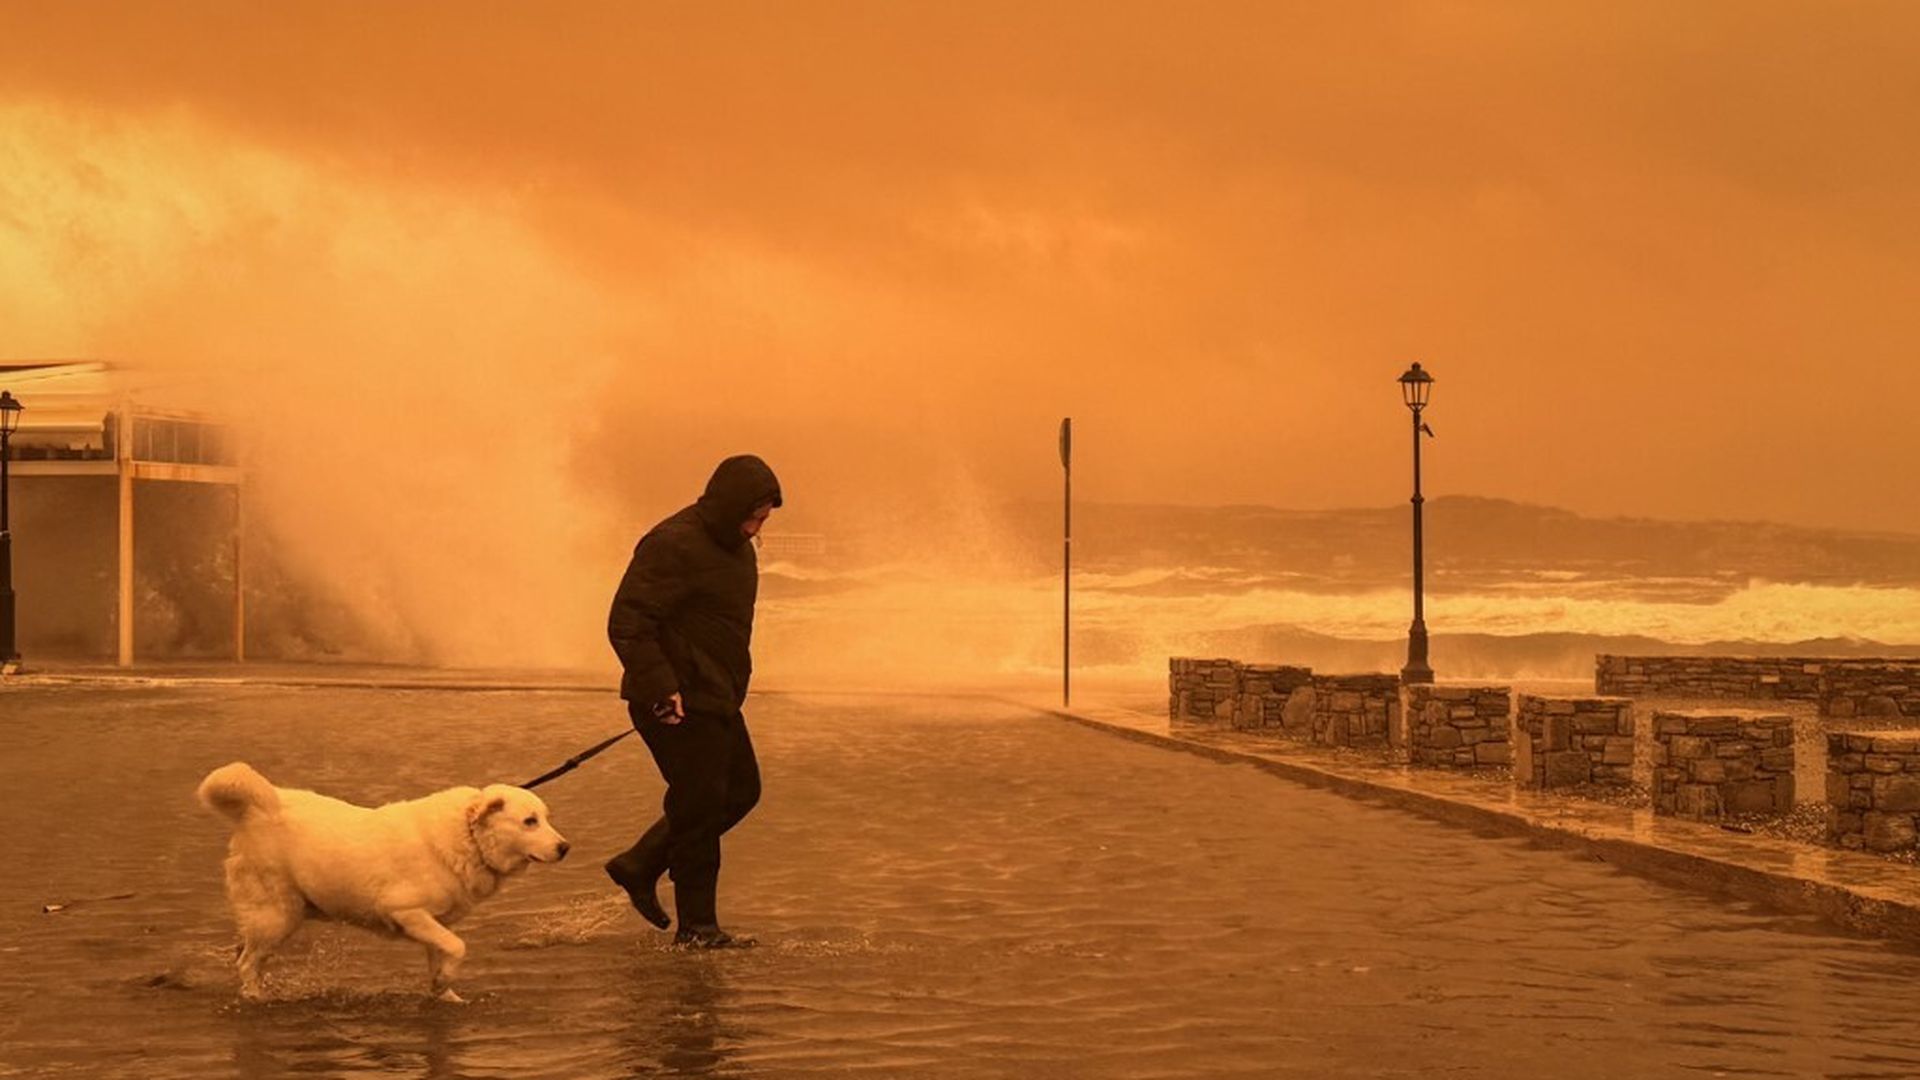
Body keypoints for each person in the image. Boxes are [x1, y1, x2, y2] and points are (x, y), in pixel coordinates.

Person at [605, 454, 782, 948]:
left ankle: (640, 864)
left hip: (716, 696)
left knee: (741, 791)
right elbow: (627, 622)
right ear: (728, 507)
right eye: (752, 517)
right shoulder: (672, 544)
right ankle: (698, 929)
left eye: (763, 520)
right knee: (700, 805)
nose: (755, 528)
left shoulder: (738, 547)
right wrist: (662, 687)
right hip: (673, 700)